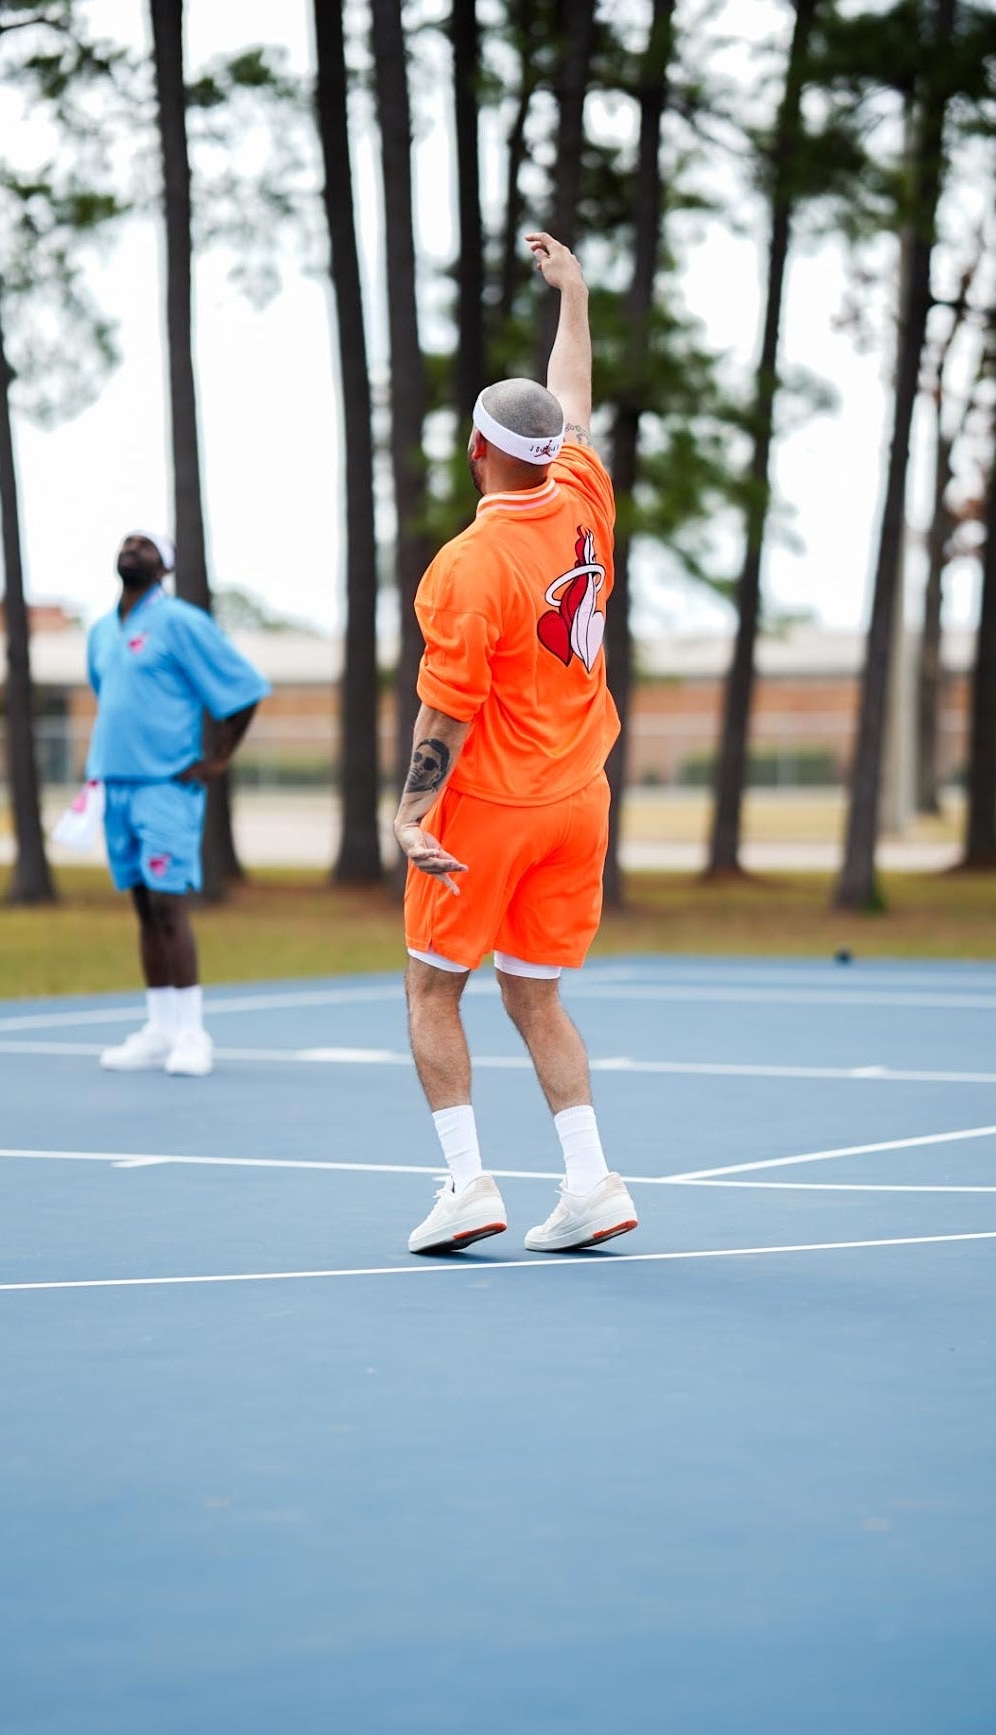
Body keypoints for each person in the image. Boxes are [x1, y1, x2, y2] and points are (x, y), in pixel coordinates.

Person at [395, 231, 637, 1257]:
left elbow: (446, 712)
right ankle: (590, 1182)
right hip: (580, 798)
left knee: (431, 988)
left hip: (492, 807)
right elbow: (569, 393)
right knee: (535, 994)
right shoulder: (583, 493)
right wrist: (573, 295)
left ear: (477, 451)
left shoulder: (467, 565)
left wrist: (410, 811)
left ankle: (466, 1186)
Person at [86, 530, 271, 1077]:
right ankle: (159, 1028)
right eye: (125, 542)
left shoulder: (181, 622)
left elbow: (243, 688)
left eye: (145, 545)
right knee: (143, 906)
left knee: (168, 905)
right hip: (115, 785)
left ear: (165, 565)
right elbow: (114, 700)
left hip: (166, 786)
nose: (131, 548)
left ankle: (192, 1033)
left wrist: (217, 759)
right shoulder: (100, 630)